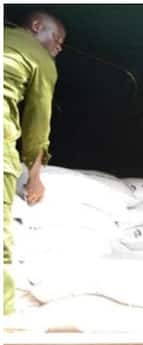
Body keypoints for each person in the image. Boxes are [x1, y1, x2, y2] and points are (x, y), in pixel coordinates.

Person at [4, 10, 66, 315]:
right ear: (37, 27)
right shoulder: (40, 59)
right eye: (57, 39)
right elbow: (38, 124)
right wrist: (35, 176)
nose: (59, 48)